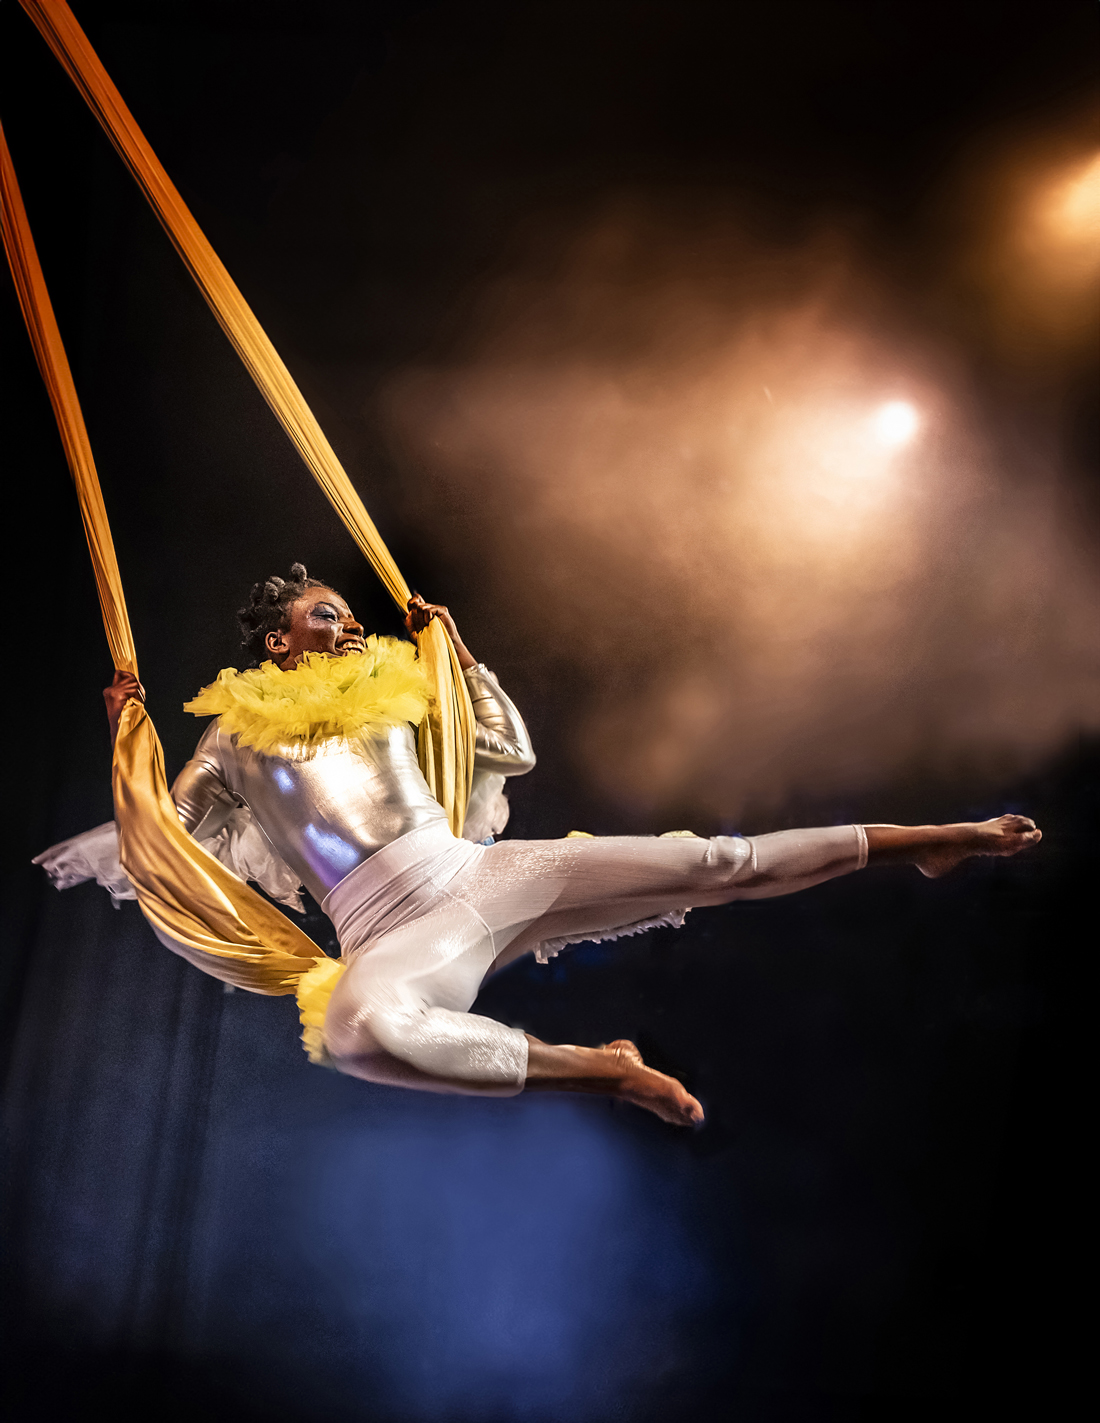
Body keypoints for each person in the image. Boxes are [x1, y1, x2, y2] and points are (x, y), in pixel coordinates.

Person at [94, 564, 1040, 1126]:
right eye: (323, 615)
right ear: (278, 647)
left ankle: (936, 839)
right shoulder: (232, 736)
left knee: (715, 863)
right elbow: (162, 844)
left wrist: (462, 663)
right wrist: (127, 742)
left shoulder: (394, 689)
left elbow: (509, 749)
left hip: (475, 872)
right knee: (357, 1033)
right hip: (388, 935)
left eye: (345, 611)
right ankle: (600, 1067)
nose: (346, 625)